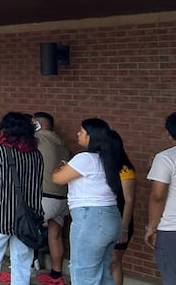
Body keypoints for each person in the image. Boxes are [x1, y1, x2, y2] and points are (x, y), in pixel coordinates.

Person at [53, 118, 124, 285]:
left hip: (90, 219)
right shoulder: (108, 159)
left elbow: (57, 178)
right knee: (104, 273)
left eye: (82, 131)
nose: (78, 133)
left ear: (91, 137)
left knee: (82, 272)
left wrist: (60, 165)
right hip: (111, 217)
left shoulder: (85, 158)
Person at [0, 112, 44, 285]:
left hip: (1, 212)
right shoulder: (37, 155)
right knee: (22, 262)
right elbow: (38, 184)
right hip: (29, 216)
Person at [32, 111, 71, 285]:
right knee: (54, 236)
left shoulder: (37, 140)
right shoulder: (62, 144)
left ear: (38, 124)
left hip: (44, 196)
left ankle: (28, 269)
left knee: (26, 230)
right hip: (62, 198)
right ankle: (56, 275)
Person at [145, 113, 176, 285]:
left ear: (169, 133)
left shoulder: (165, 158)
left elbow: (158, 196)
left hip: (172, 229)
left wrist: (151, 228)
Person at [110, 130, 136, 285]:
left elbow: (130, 200)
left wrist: (124, 228)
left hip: (120, 219)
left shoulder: (125, 169)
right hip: (104, 219)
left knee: (114, 260)